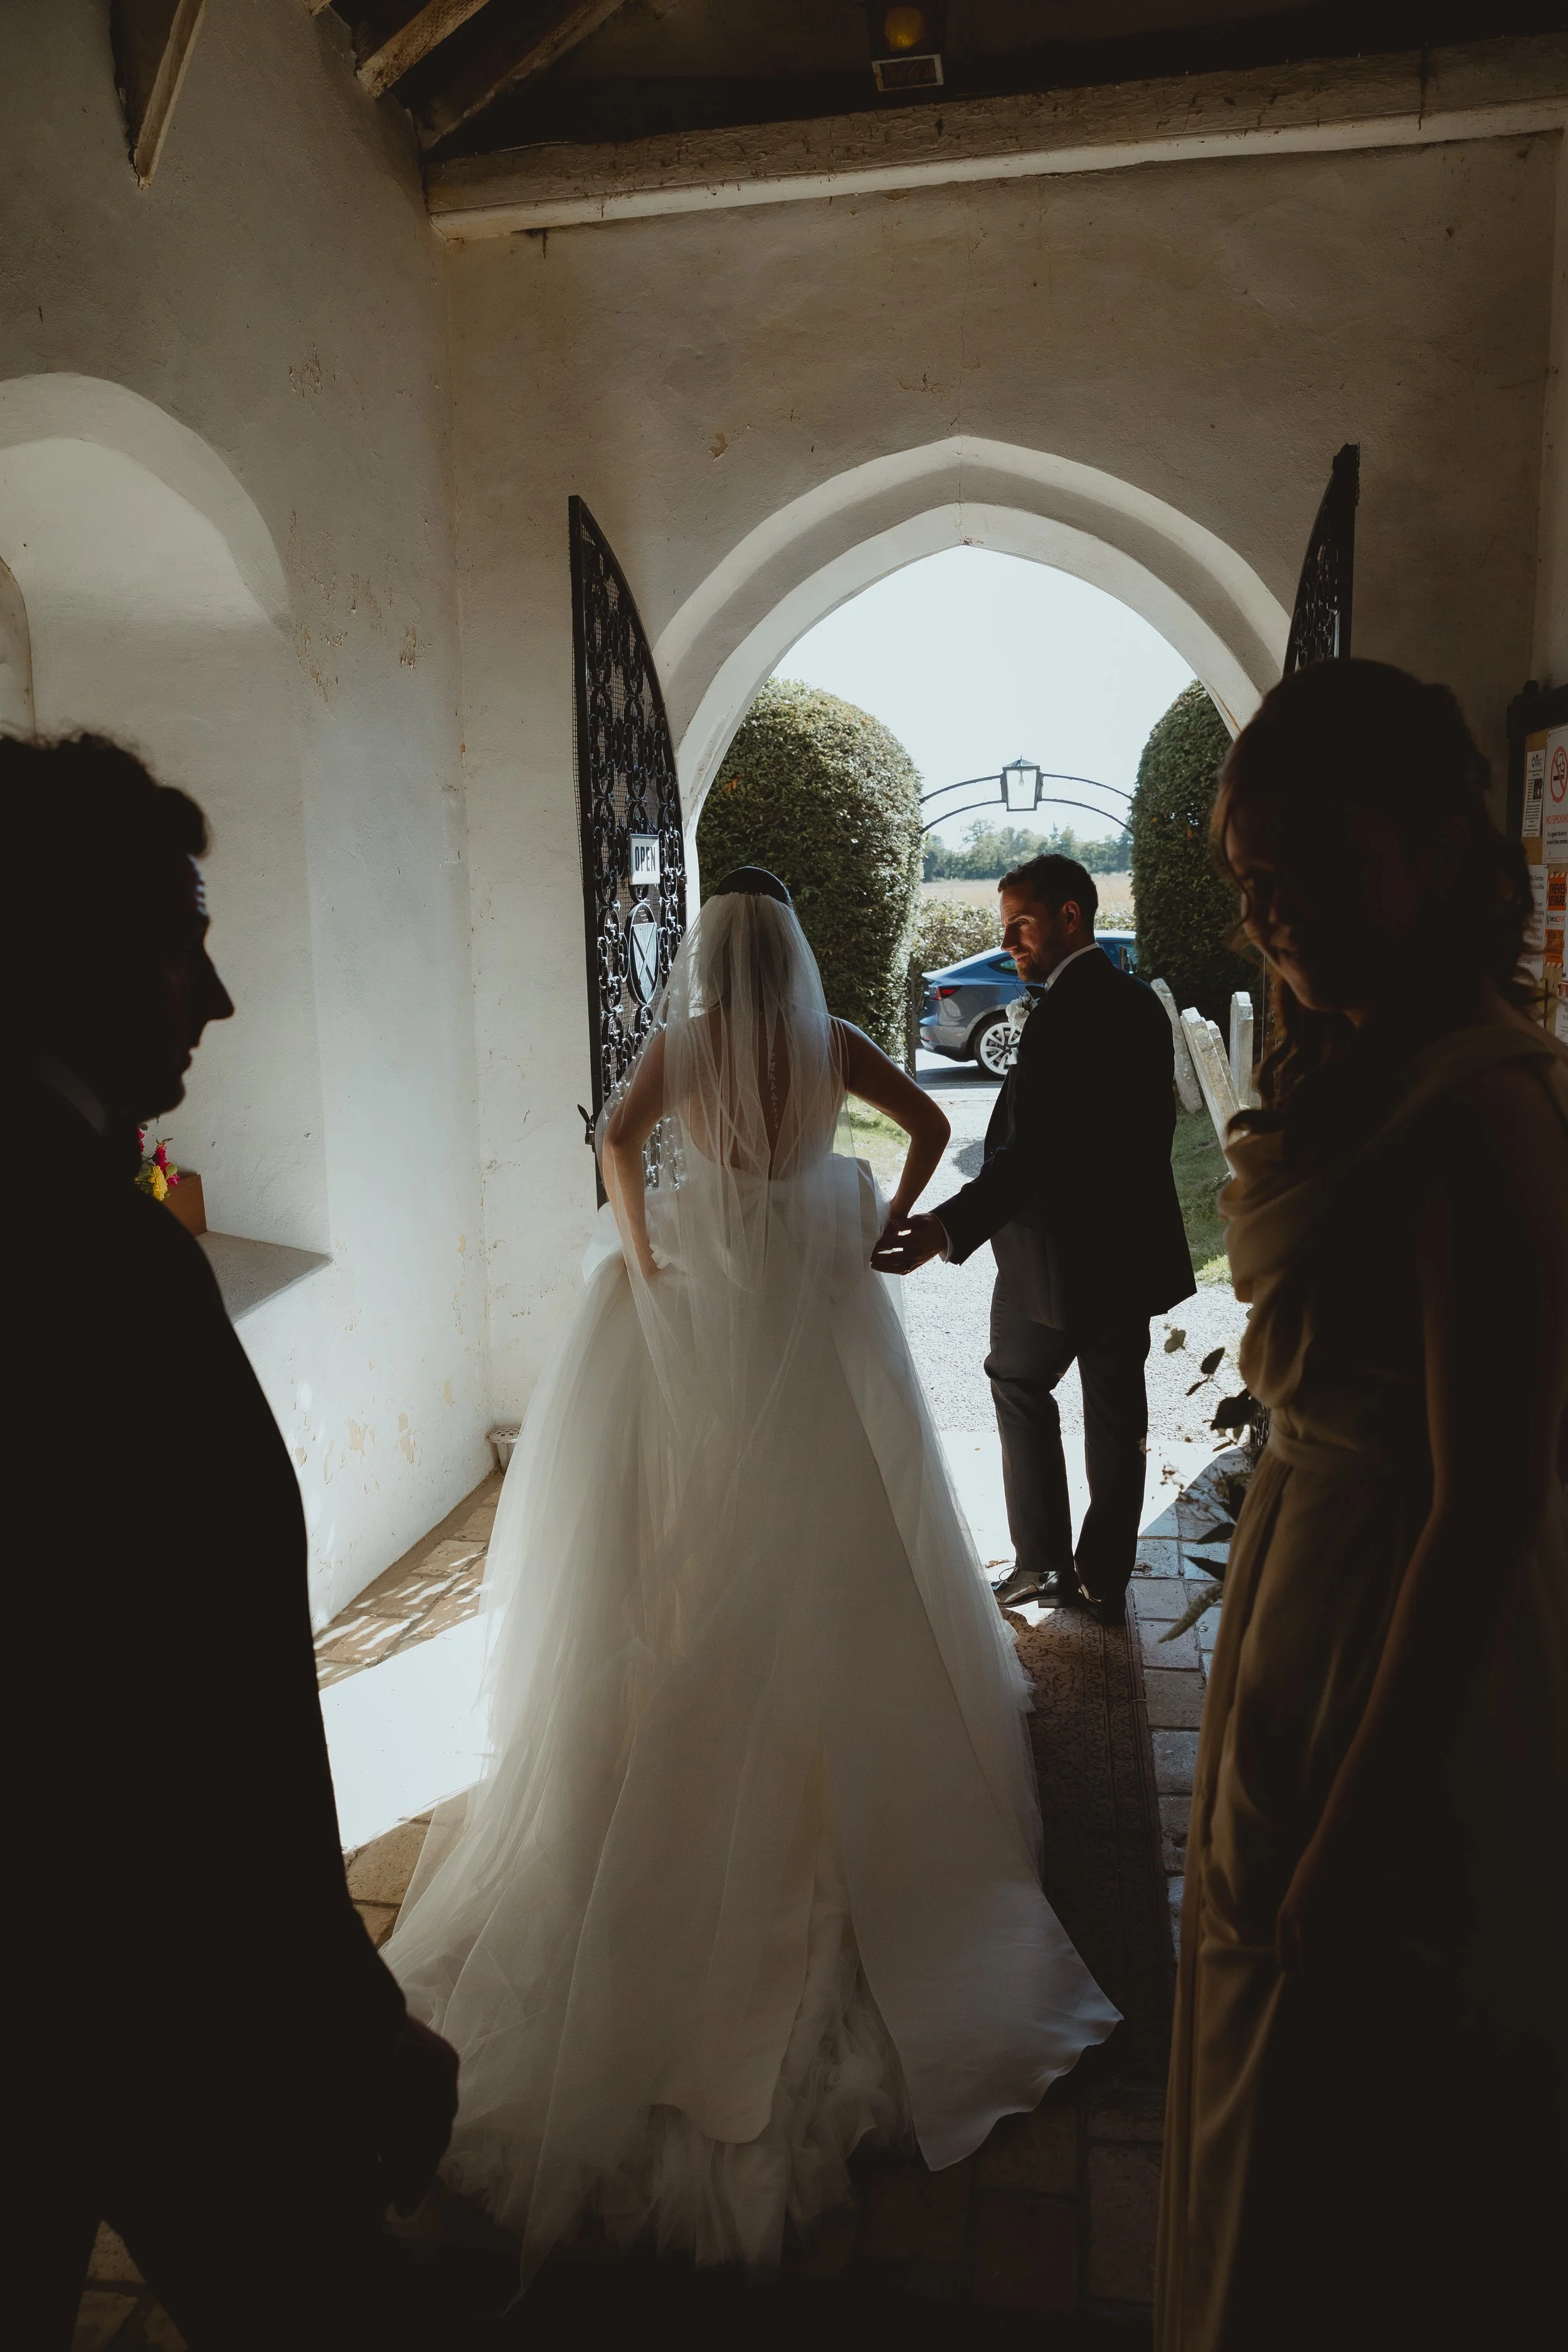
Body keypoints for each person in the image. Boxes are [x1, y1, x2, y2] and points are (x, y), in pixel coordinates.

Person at [384, 868, 1119, 2277]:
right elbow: (925, 1126)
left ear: (705, 958)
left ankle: (691, 1723)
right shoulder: (821, 1045)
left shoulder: (686, 1048)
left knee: (691, 1531)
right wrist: (873, 1218)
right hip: (815, 1297)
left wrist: (652, 1248)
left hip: (714, 1308)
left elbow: (615, 1140)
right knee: (844, 1527)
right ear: (786, 949)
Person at [13, 734, 458, 2349]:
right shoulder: (100, 1260)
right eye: (178, 935)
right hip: (136, 1985)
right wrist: (351, 2007)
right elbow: (213, 1700)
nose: (216, 995)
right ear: (63, 949)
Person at [1154, 660, 1568, 2352]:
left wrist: (1359, 1821)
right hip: (1306, 1586)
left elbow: (1480, 1501)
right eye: (1250, 887)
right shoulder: (1380, 1061)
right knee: (1265, 2031)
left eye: (1301, 871)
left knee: (1350, 2074)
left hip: (1402, 1650)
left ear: (1417, 845)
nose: (1272, 919)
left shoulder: (1478, 1103)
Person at [873, 854, 1194, 1623]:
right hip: (1125, 1250)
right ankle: (1103, 1576)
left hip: (1053, 1256)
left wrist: (947, 1227)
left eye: (1019, 924)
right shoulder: (1136, 1002)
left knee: (1018, 1385)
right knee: (1116, 1414)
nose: (1009, 941)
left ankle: (1041, 1563)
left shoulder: (1068, 1011)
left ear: (1069, 917)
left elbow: (1037, 1151)